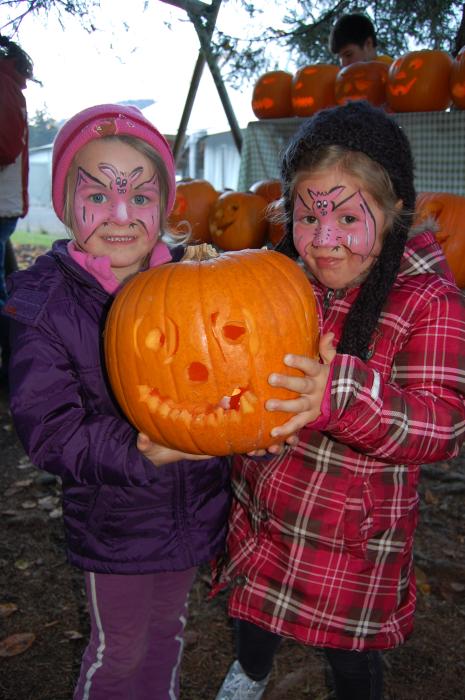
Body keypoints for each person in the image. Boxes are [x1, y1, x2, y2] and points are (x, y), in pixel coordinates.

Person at [213, 100, 465, 700]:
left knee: (350, 657)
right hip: (266, 510)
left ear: (395, 208)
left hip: (351, 539)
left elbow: (443, 425)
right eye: (308, 217)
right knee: (254, 620)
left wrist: (343, 395)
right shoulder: (281, 280)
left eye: (349, 217)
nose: (325, 241)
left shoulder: (429, 302)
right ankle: (250, 672)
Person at [2, 103, 231, 700]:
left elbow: (233, 369)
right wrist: (136, 449)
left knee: (169, 633)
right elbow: (50, 429)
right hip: (116, 521)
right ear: (65, 203)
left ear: (166, 203)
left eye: (141, 196)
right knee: (119, 651)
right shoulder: (46, 304)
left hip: (192, 508)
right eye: (98, 195)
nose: (121, 215)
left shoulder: (197, 283)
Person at [0, 34, 34, 384]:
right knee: (7, 286)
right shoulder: (8, 83)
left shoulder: (2, 84)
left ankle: (14, 369)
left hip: (0, 205)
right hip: (4, 204)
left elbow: (5, 147)